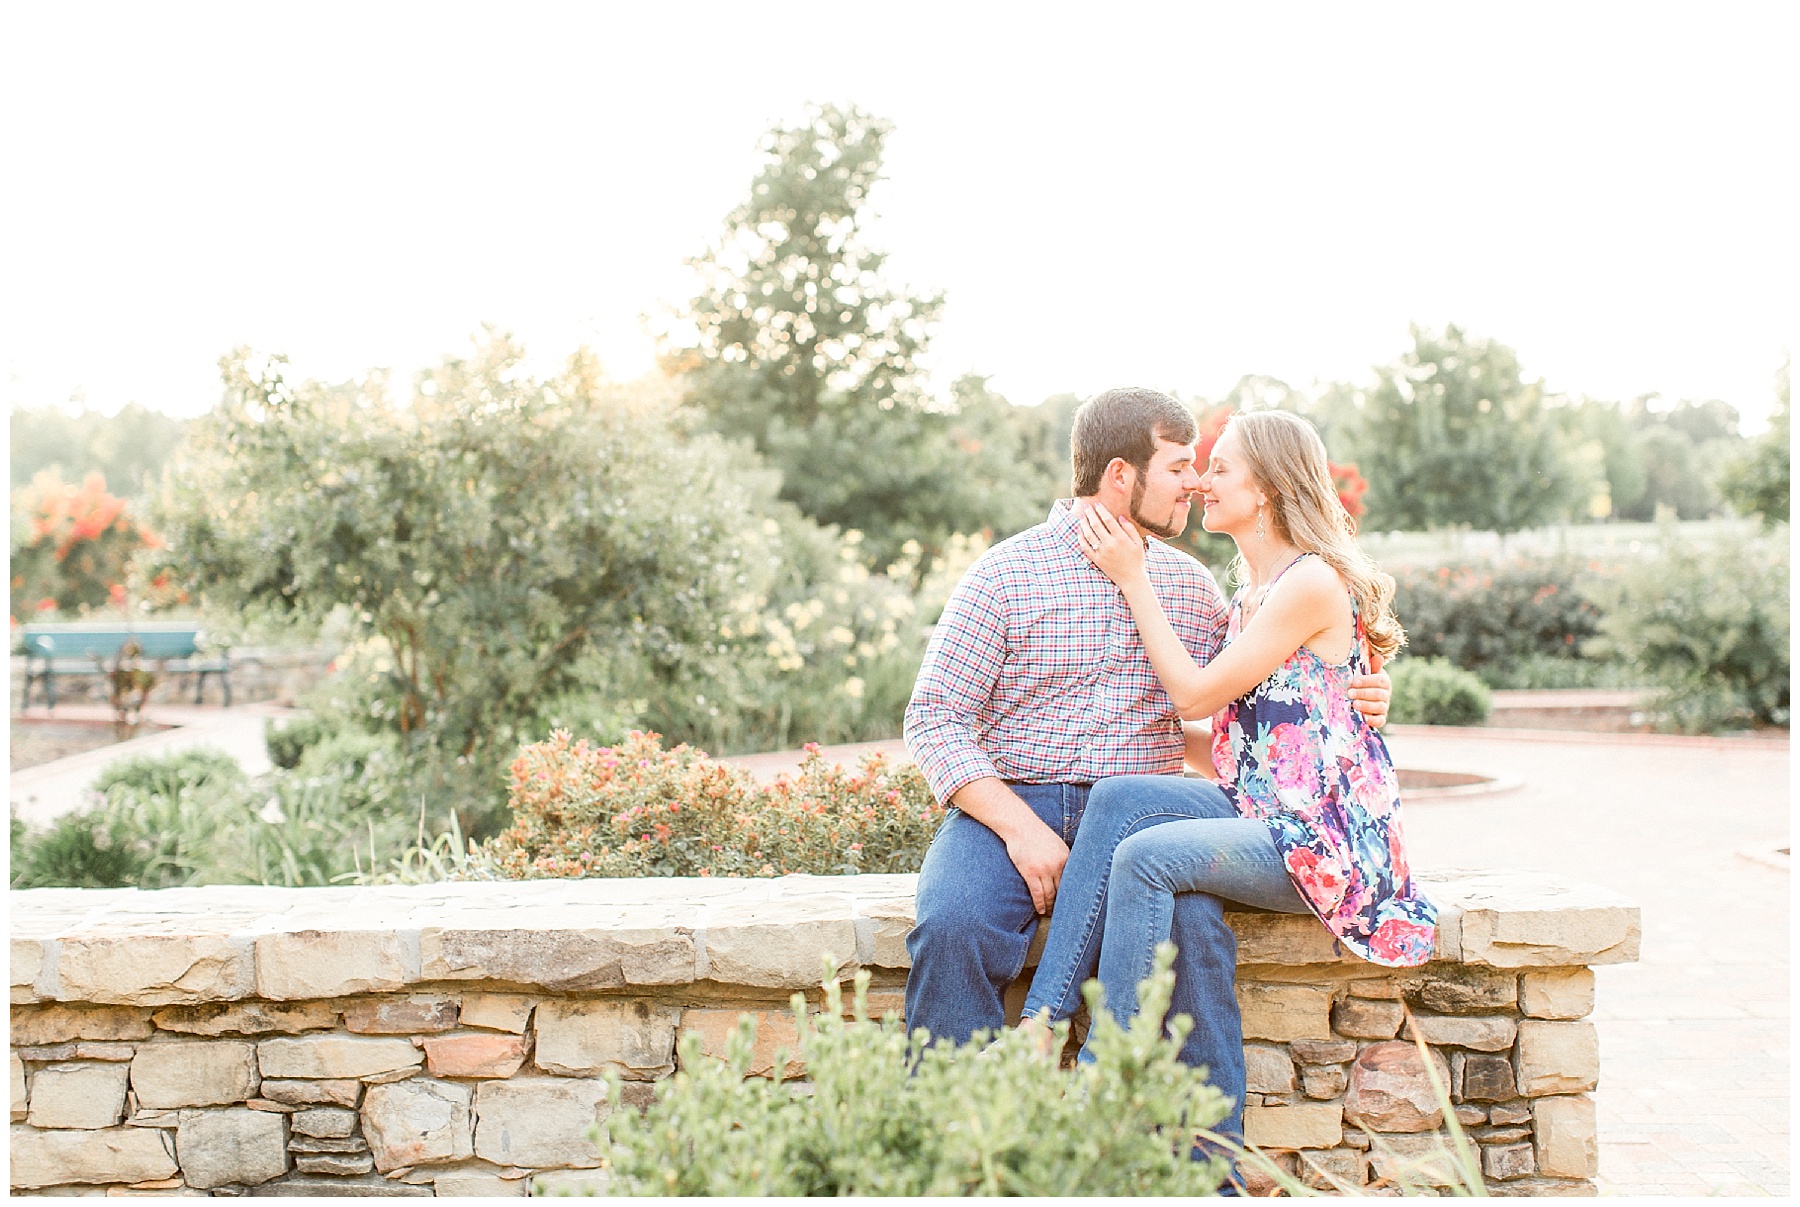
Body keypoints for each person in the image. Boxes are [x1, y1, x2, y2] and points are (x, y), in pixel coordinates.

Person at [902, 388, 1393, 1107]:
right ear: (1122, 477)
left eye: (1204, 466)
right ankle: (945, 1156)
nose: (1195, 482)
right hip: (1011, 805)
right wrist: (1019, 829)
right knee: (951, 926)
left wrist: (1369, 697)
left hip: (1146, 813)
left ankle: (1199, 1169)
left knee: (1194, 935)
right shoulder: (1004, 574)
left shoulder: (1191, 589)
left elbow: (1266, 701)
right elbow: (935, 718)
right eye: (1179, 465)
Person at [1018, 408, 1438, 1151]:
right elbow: (1232, 745)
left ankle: (1102, 1071)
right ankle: (1042, 1022)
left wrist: (1132, 578)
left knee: (1146, 858)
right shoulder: (1249, 596)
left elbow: (1192, 696)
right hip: (1258, 811)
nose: (1203, 482)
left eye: (1222, 468)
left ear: (1269, 489)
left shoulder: (1309, 584)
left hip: (1321, 844)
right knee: (1119, 798)